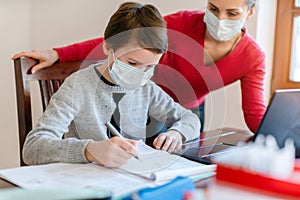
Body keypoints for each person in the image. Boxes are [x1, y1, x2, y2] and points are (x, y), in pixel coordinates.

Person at [13, 0, 266, 134]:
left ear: (250, 13)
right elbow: (123, 39)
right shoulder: (180, 24)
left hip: (184, 111)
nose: (220, 19)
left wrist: (283, 139)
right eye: (213, 8)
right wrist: (58, 53)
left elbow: (255, 115)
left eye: (232, 13)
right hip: (140, 100)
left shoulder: (252, 56)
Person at [22, 2, 200, 166]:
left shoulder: (146, 89)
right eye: (132, 63)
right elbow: (33, 148)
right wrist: (89, 150)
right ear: (108, 48)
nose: (141, 74)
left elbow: (190, 119)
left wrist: (177, 133)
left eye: (150, 67)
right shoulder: (78, 86)